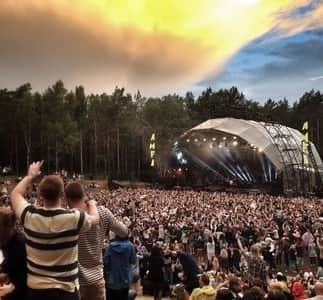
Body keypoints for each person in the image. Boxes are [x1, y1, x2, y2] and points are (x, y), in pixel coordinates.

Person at [10, 161, 99, 300]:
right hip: (65, 291)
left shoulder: (29, 216)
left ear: (40, 194)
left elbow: (15, 194)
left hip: (36, 291)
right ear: (62, 194)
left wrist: (30, 176)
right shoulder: (74, 218)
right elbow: (95, 218)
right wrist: (92, 204)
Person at [65, 182, 128, 300]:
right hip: (96, 279)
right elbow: (123, 232)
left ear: (67, 199)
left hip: (74, 282)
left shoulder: (67, 217)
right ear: (84, 195)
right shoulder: (103, 212)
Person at [0, 207, 26, 300]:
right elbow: (7, 267)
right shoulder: (6, 241)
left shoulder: (20, 244)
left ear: (9, 227)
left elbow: (24, 277)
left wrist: (11, 288)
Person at [103, 234, 136, 300]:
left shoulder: (110, 246)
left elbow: (105, 261)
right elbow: (133, 261)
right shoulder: (130, 246)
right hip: (125, 278)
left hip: (112, 279)